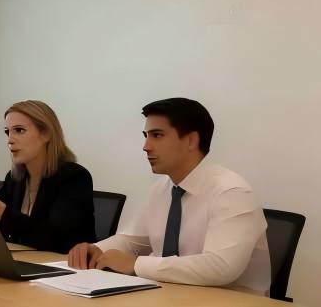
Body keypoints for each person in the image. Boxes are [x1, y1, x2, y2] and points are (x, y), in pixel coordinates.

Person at [68, 98, 271, 295]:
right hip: (169, 294)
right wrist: (96, 250)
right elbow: (132, 241)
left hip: (229, 300)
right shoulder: (162, 188)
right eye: (146, 136)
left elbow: (221, 267)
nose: (146, 146)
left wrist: (136, 265)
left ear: (191, 141)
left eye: (157, 135)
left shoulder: (232, 192)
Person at [0, 100, 95, 253]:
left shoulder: (75, 178)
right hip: (25, 260)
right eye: (7, 132)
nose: (10, 140)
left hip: (63, 265)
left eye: (19, 130)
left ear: (46, 134)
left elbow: (53, 239)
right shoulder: (15, 179)